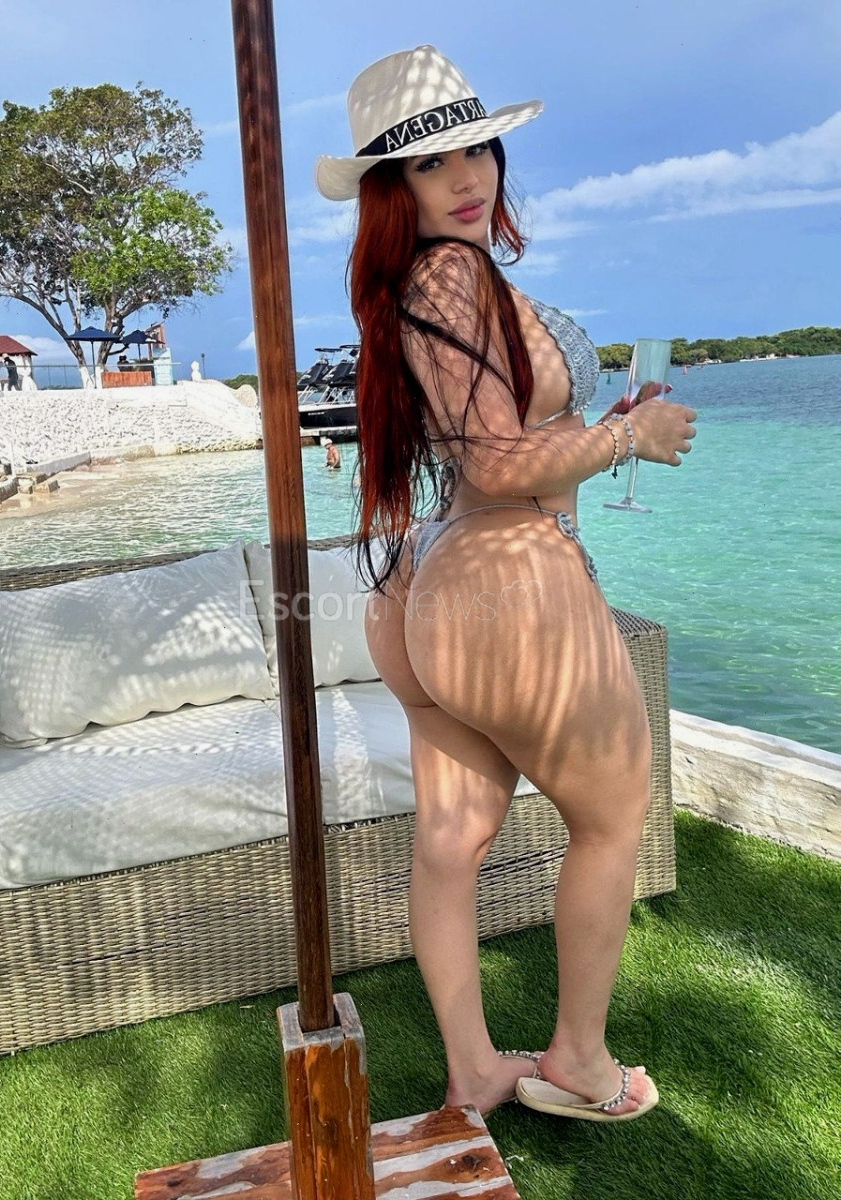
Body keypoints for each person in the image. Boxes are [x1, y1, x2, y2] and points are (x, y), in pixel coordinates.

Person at [316, 46, 696, 1122]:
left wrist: (588, 429)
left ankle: (476, 1069)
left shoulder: (407, 289)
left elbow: (482, 442)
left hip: (422, 586)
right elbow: (492, 461)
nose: (467, 175)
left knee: (452, 840)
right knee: (613, 817)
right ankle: (580, 1062)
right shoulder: (451, 274)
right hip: (509, 578)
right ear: (393, 189)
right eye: (431, 163)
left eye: (476, 149)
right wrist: (628, 441)